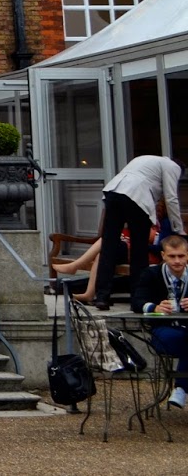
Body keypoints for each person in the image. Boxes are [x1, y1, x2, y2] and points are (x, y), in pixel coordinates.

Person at [92, 155, 185, 310]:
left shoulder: (146, 159)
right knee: (139, 250)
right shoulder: (172, 166)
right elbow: (171, 198)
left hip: (113, 192)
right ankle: (137, 297)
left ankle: (102, 296)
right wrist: (178, 230)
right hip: (137, 198)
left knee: (109, 247)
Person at [132, 233, 188, 408]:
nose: (177, 261)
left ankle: (181, 388)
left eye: (181, 256)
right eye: (172, 256)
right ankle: (181, 388)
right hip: (163, 330)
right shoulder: (151, 274)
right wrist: (154, 307)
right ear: (163, 255)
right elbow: (136, 301)